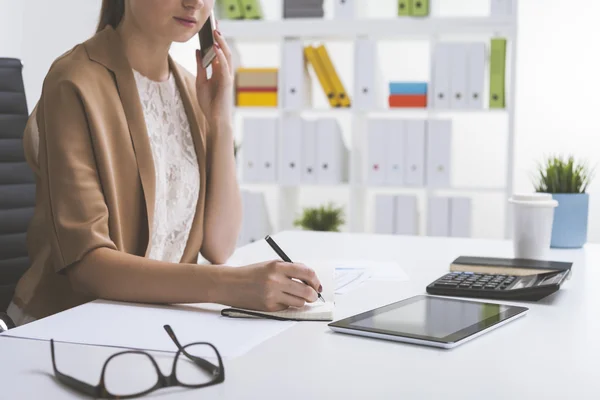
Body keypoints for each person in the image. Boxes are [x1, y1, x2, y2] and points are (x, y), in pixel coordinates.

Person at [7, 0, 322, 326]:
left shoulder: (191, 88)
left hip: (159, 325)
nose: (195, 3)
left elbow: (219, 245)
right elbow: (88, 267)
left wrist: (220, 121)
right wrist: (235, 285)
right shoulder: (74, 81)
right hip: (67, 328)